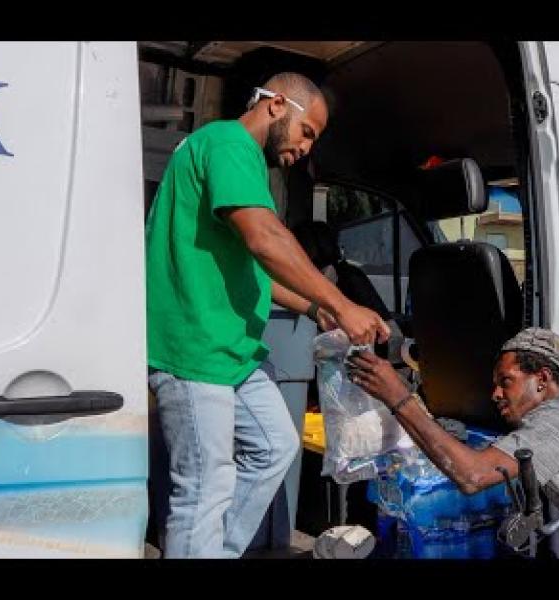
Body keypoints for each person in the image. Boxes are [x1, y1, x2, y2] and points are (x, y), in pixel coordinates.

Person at [145, 72, 390, 558]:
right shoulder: (228, 143)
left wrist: (317, 309)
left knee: (276, 445)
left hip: (231, 352)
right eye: (307, 132)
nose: (305, 148)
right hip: (195, 348)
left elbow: (255, 267)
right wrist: (342, 304)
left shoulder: (239, 161)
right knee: (204, 486)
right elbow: (266, 241)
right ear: (277, 104)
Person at [347, 327, 559, 507]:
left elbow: (473, 476)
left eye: (505, 381)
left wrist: (398, 397)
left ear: (543, 379)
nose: (495, 394)